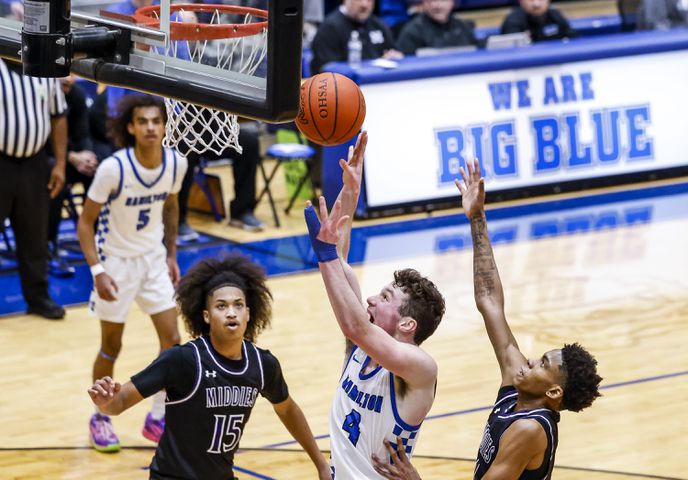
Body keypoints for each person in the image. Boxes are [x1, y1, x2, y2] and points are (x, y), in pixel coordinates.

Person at [371, 159, 602, 479]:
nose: (531, 360)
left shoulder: (529, 430)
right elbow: (489, 301)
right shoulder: (517, 387)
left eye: (543, 364)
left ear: (552, 393)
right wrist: (477, 216)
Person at [88, 254, 331, 480]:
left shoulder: (262, 364)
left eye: (238, 305)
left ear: (248, 313)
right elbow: (120, 403)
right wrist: (107, 401)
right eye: (221, 306)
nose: (231, 313)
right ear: (206, 316)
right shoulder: (182, 360)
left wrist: (320, 462)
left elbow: (288, 409)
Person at [303, 131, 446, 478]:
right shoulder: (367, 341)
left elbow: (353, 326)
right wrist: (351, 190)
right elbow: (338, 257)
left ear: (407, 324)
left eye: (384, 298)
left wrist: (324, 254)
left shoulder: (419, 368)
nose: (369, 298)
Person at [77, 94, 186, 452]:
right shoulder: (114, 168)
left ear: (164, 125)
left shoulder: (175, 164)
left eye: (156, 121)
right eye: (143, 122)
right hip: (116, 264)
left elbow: (171, 205)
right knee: (112, 346)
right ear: (131, 127)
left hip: (153, 260)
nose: (151, 128)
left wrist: (171, 254)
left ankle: (157, 417)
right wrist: (97, 271)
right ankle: (101, 415)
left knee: (173, 343)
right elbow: (85, 223)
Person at [0, 58, 68, 320]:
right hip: (1, 162)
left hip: (36, 163)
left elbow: (59, 116)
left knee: (35, 235)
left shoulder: (45, 69)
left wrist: (60, 164)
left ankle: (38, 298)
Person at [47, 75, 100, 277]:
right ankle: (49, 245)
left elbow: (83, 133)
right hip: (45, 158)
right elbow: (43, 139)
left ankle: (97, 239)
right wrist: (71, 157)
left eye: (72, 73)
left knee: (98, 172)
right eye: (63, 74)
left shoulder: (76, 94)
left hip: (71, 159)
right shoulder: (44, 92)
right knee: (55, 179)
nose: (68, 79)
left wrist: (88, 157)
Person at [310, 0, 402, 74]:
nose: (364, 4)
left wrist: (394, 56)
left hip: (378, 86)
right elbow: (326, 69)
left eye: (369, 0)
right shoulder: (329, 28)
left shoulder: (379, 25)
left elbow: (394, 52)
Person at [396, 0, 479, 56]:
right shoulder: (411, 32)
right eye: (431, 0)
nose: (436, 5)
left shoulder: (463, 27)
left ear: (452, 2)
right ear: (423, 3)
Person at [500, 0, 577, 42]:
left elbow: (574, 38)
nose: (536, 4)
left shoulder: (555, 15)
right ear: (521, 1)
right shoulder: (513, 21)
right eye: (531, 0)